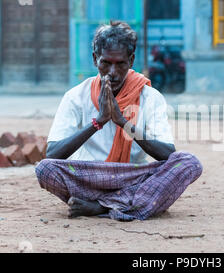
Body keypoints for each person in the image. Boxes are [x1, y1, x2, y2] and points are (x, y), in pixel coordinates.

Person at [34, 21, 203, 221]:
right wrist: (98, 122)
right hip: (90, 176)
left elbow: (167, 154)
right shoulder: (76, 96)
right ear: (95, 59)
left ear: (131, 61)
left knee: (189, 163)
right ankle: (127, 204)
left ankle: (99, 207)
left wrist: (123, 123)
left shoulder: (150, 97)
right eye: (106, 63)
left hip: (134, 176)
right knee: (45, 169)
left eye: (120, 64)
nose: (112, 73)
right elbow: (53, 154)